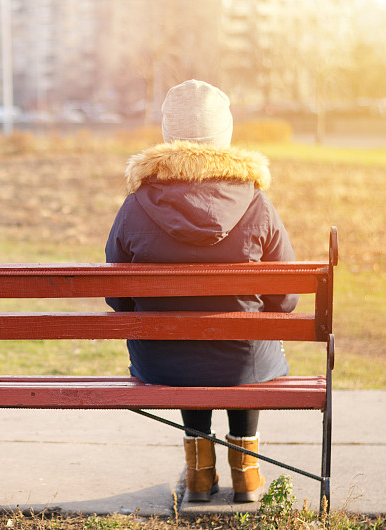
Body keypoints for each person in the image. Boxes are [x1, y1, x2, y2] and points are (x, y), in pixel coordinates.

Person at [104, 79, 298, 503]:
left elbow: (117, 295)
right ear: (224, 134)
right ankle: (246, 477)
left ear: (167, 132)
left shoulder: (137, 203)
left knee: (186, 345)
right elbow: (285, 297)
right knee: (245, 339)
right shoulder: (256, 201)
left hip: (163, 361)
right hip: (244, 359)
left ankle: (198, 475)